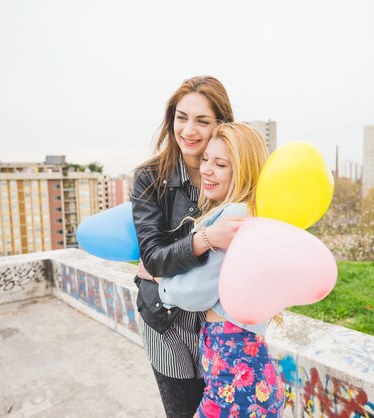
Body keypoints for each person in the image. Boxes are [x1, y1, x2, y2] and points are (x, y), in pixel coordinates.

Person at [149, 123, 285, 417]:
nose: (207, 169)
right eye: (206, 159)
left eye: (220, 163)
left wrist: (161, 282)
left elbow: (195, 292)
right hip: (239, 374)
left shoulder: (235, 216)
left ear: (244, 171)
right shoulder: (247, 213)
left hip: (237, 381)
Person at [131, 76, 244, 418]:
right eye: (182, 117)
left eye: (202, 120)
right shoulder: (150, 177)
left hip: (219, 323)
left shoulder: (237, 175)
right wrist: (206, 239)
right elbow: (152, 258)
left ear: (222, 125)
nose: (189, 130)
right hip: (164, 321)